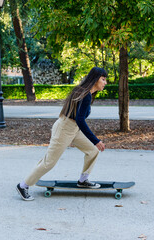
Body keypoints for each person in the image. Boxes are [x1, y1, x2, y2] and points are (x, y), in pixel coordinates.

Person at [16, 67, 108, 201]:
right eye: (103, 79)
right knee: (49, 162)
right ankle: (23, 185)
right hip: (64, 129)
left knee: (92, 151)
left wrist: (94, 143)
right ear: (95, 79)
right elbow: (80, 120)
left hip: (73, 129)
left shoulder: (85, 92)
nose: (105, 83)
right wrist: (96, 140)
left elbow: (78, 121)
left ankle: (83, 181)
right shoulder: (85, 94)